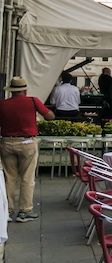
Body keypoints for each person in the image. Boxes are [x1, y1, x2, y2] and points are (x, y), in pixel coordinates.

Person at [0, 76, 55, 222]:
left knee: (9, 179)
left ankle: (8, 211)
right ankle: (24, 211)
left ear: (11, 91)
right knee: (27, 178)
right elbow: (50, 116)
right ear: (24, 90)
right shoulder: (32, 101)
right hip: (27, 142)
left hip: (6, 142)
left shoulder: (2, 104)